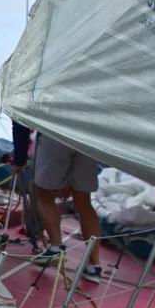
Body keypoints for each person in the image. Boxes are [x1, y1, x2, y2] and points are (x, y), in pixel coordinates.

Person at [15, 121, 103, 283]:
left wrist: (19, 158)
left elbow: (20, 118)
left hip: (56, 129)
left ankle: (56, 248)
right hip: (89, 135)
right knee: (83, 200)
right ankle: (94, 266)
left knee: (44, 194)